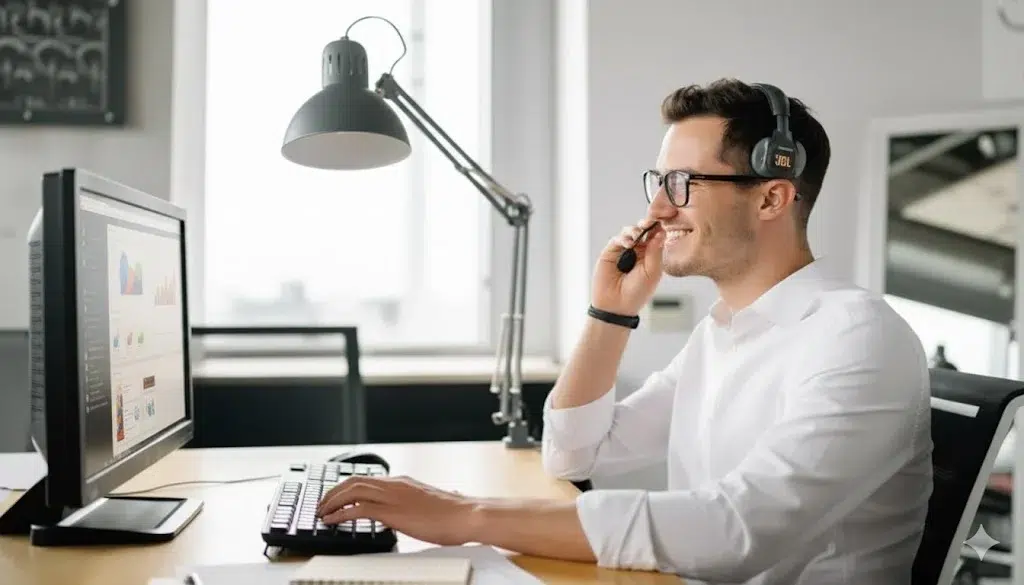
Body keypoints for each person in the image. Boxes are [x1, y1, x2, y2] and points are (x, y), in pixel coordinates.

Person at [315, 78, 933, 584]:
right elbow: (575, 454)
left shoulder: (856, 340)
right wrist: (610, 313)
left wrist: (469, 515)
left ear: (772, 198)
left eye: (683, 184)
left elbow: (737, 531)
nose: (658, 209)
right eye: (658, 182)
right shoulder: (727, 332)